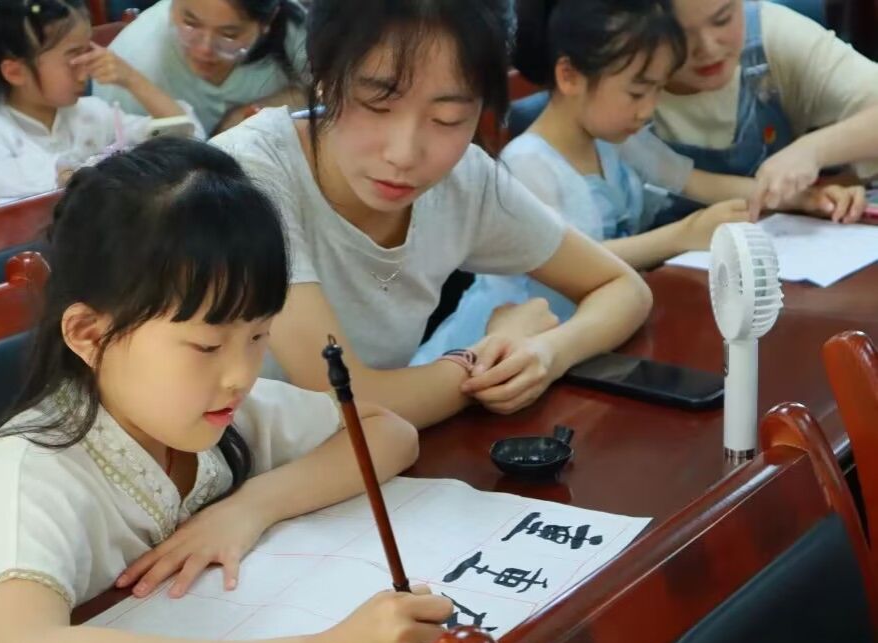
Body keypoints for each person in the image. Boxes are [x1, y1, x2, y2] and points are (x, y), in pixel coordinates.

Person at [0, 137, 452, 643]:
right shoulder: (30, 472)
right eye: (207, 346)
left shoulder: (219, 410)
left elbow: (388, 432)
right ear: (89, 335)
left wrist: (250, 507)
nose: (241, 375)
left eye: (258, 335)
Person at [212, 0, 656, 428]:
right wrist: (481, 358)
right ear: (324, 74)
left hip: (375, 463)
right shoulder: (247, 176)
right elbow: (347, 403)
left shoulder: (464, 180)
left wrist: (545, 353)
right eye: (377, 105)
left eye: (448, 118)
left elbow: (622, 288)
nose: (404, 154)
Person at [416, 0, 863, 357]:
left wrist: (794, 197)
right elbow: (571, 264)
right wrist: (683, 234)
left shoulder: (621, 141)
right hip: (499, 340)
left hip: (581, 338)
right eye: (636, 92)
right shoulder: (529, 163)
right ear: (569, 76)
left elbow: (697, 182)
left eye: (656, 91)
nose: (648, 109)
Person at [0, 0, 199, 197]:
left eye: (87, 52)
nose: (85, 72)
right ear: (15, 72)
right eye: (73, 58)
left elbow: (187, 138)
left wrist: (132, 79)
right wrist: (76, 173)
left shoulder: (93, 113)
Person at [653, 0, 878, 216]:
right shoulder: (629, 72)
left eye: (722, 20)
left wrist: (812, 150)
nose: (708, 48)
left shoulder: (775, 34)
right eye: (679, 34)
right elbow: (678, 178)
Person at [96, 0, 308, 135]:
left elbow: (320, 91)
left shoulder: (292, 27)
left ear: (267, 22)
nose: (204, 49)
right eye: (190, 24)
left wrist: (254, 111)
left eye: (229, 35)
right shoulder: (136, 64)